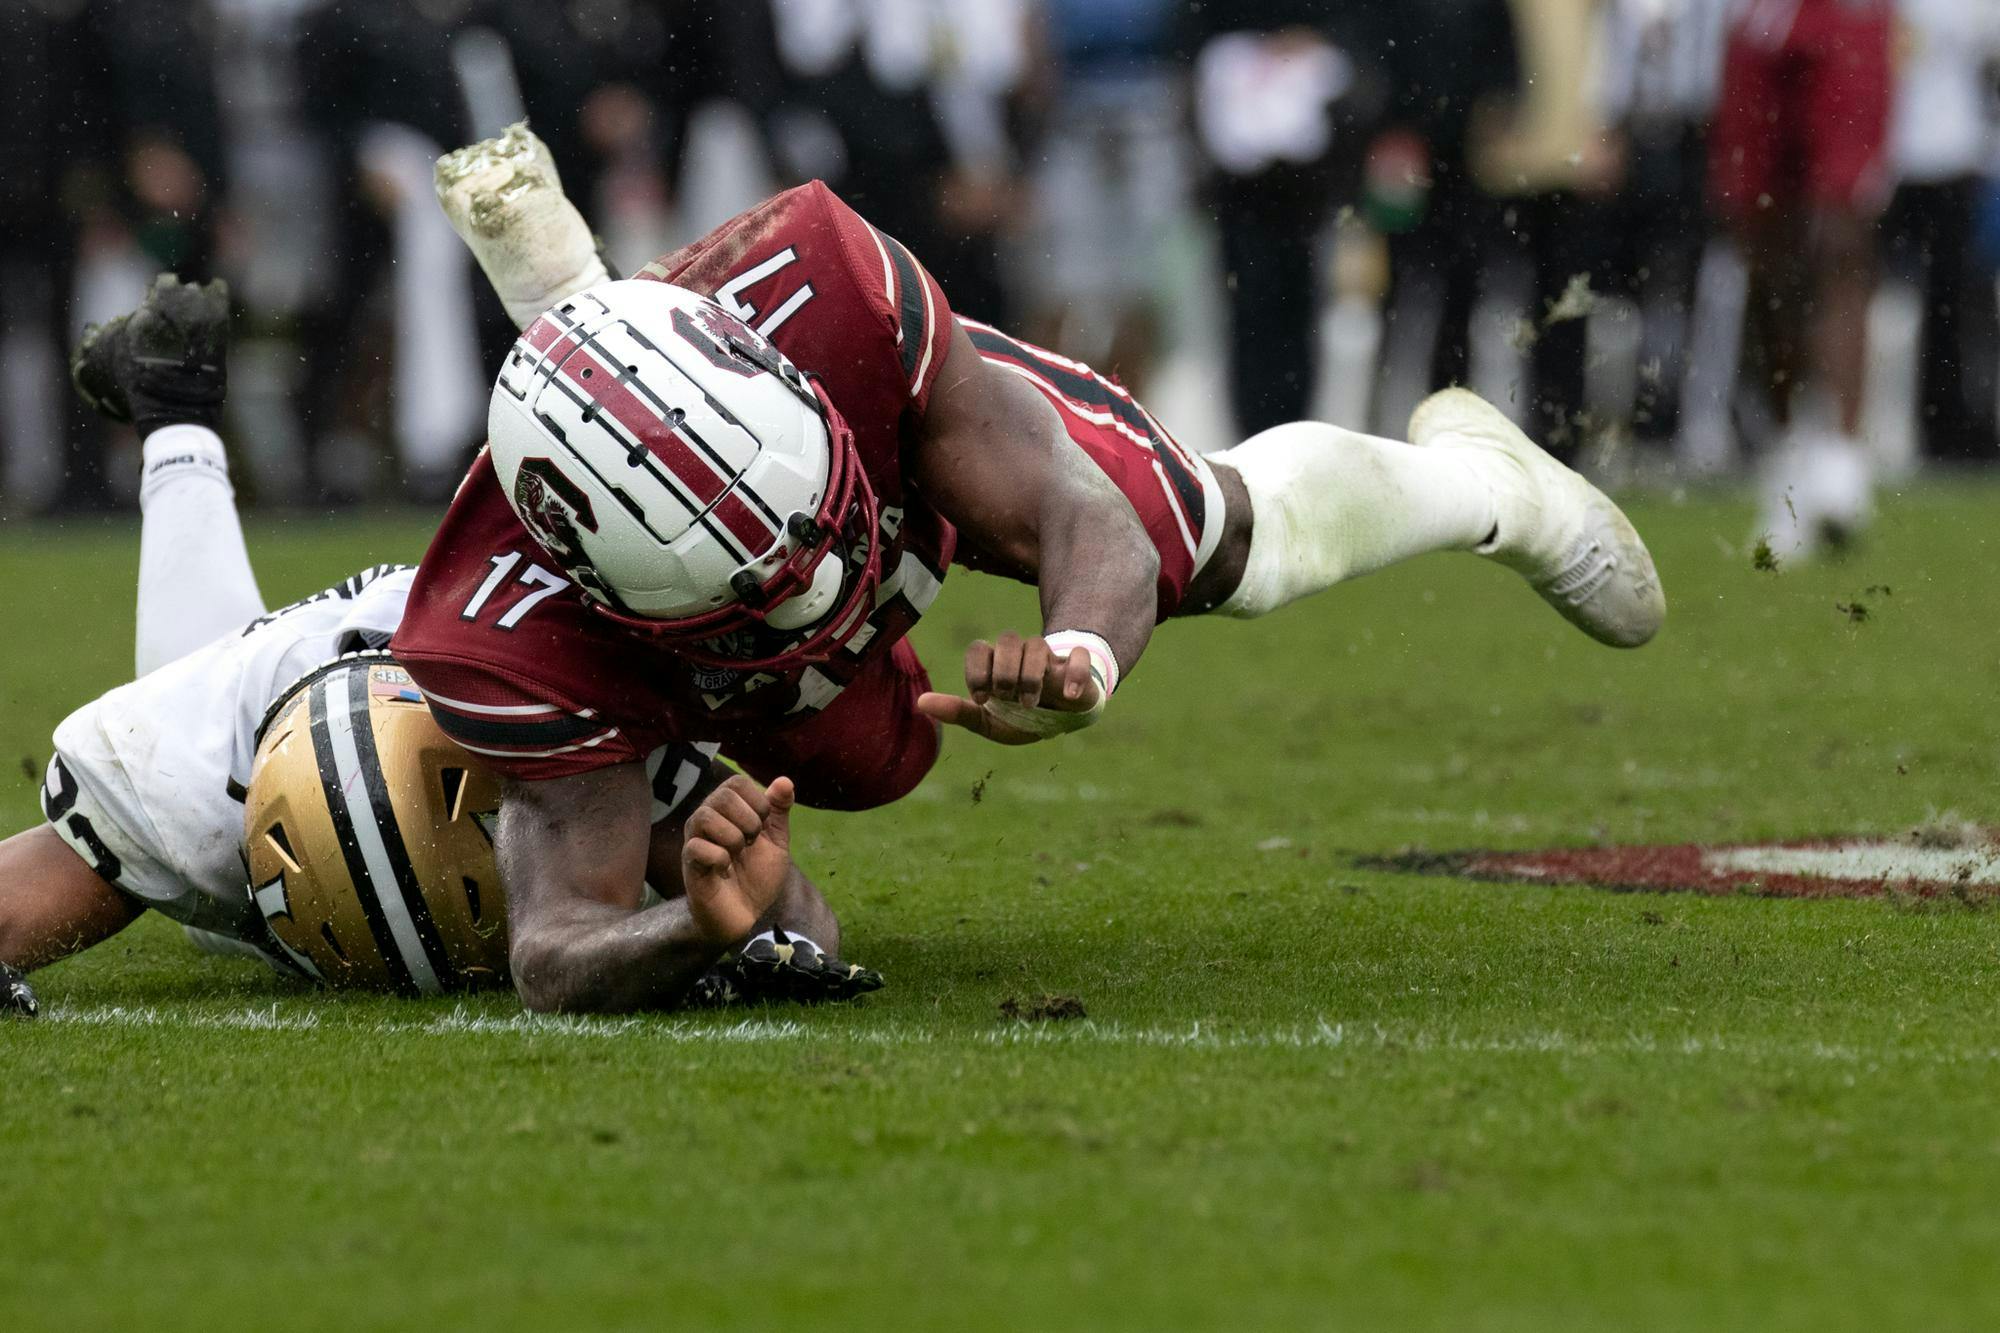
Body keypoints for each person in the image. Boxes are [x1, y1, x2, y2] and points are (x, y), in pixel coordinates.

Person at [389, 126, 1668, 1016]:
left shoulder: (824, 287)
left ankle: (1488, 491)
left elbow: (1075, 512)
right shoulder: (501, 626)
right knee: (867, 762)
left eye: (811, 543)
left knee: (1206, 542)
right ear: (595, 592)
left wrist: (1084, 652)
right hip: (722, 692)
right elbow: (555, 944)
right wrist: (694, 926)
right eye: (760, 592)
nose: (819, 592)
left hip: (886, 476)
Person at [0, 276, 877, 1019]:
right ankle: (177, 412)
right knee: (164, 813)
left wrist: (740, 909)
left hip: (395, 642)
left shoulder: (549, 693)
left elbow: (795, 920)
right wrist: (698, 927)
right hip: (246, 740)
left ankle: (176, 411)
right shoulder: (197, 782)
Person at [1709, 0, 1894, 552]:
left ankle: (1842, 458)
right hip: (1756, 22)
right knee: (1767, 257)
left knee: (1841, 237)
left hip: (1844, 17)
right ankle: (1790, 454)